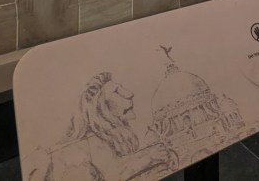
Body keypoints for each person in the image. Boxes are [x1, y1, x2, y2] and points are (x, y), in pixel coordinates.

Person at [27, 71, 174, 181]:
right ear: (102, 107)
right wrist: (150, 156)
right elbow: (113, 174)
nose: (129, 94)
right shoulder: (92, 141)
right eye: (116, 92)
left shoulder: (110, 135)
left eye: (121, 88)